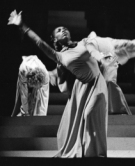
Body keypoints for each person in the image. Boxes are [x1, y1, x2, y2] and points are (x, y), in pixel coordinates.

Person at [8, 10, 109, 158]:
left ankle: (97, 154)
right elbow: (39, 43)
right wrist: (22, 25)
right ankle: (86, 153)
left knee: (91, 113)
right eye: (59, 30)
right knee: (80, 120)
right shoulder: (60, 56)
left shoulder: (83, 42)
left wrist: (103, 57)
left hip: (97, 83)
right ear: (55, 40)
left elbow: (96, 49)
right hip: (82, 88)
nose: (63, 30)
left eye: (65, 29)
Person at [86, 31, 132, 115]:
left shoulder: (106, 41)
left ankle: (115, 109)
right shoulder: (91, 43)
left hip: (108, 61)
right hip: (100, 63)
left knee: (109, 83)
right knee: (104, 85)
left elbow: (122, 42)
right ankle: (110, 108)